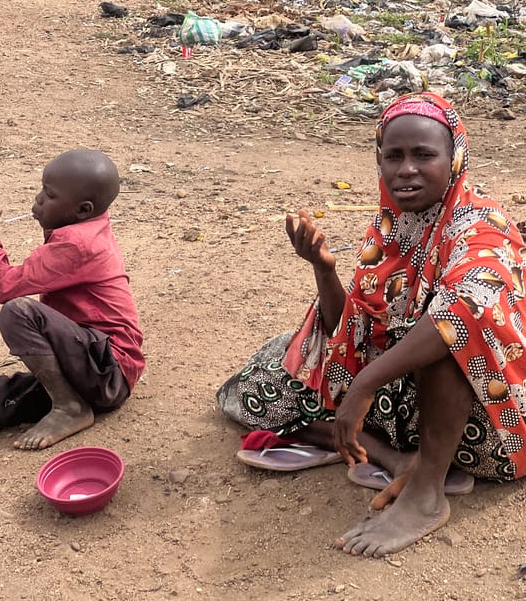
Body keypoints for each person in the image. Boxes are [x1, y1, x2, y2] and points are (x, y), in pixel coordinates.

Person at [217, 92, 526, 557]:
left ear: (455, 160)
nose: (406, 169)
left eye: (423, 155)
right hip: (407, 407)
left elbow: (463, 314)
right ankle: (395, 458)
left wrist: (363, 386)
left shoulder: (484, 227)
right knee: (255, 384)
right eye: (393, 156)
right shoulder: (393, 226)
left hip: (491, 429)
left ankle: (426, 494)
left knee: (448, 335)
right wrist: (324, 270)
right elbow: (353, 334)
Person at [0, 149, 145, 452]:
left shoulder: (77, 244)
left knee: (17, 312)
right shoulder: (85, 226)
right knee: (0, 395)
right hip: (87, 368)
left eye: (50, 195)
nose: (39, 199)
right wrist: (52, 214)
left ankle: (68, 407)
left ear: (83, 210)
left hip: (108, 370)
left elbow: (2, 286)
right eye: (43, 189)